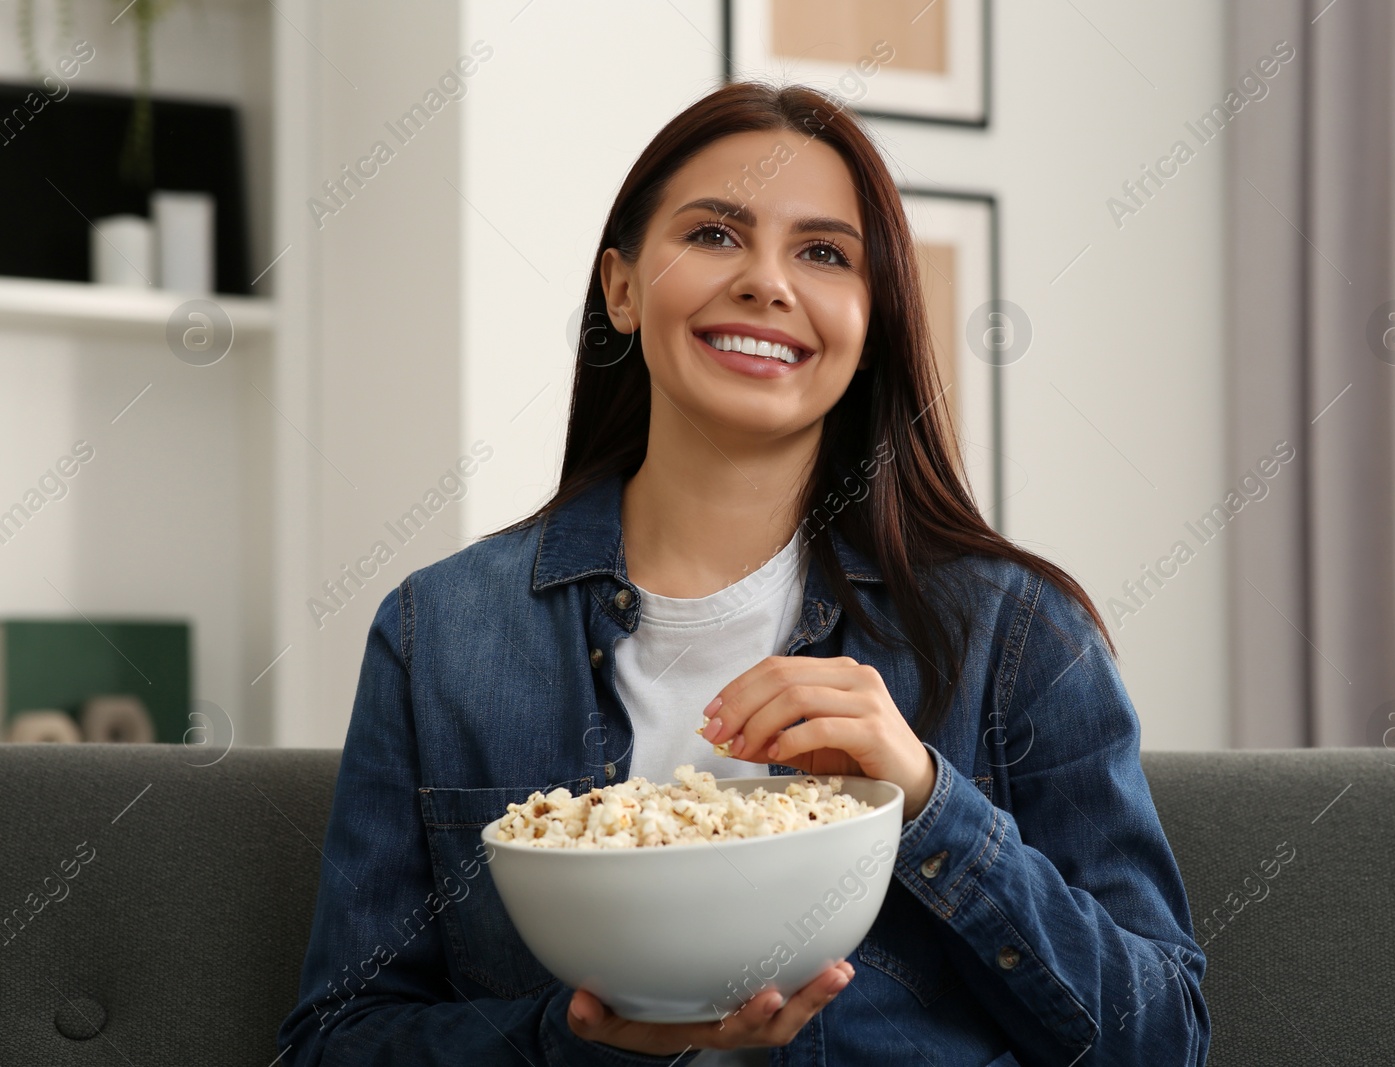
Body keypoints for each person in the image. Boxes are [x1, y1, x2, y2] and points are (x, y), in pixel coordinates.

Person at [278, 79, 1209, 1066]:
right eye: (716, 234)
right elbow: (335, 1042)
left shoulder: (1018, 629)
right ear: (622, 288)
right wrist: (581, 1044)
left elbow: (1160, 1038)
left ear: (871, 316)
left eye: (822, 253)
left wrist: (930, 798)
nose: (768, 281)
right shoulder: (442, 633)